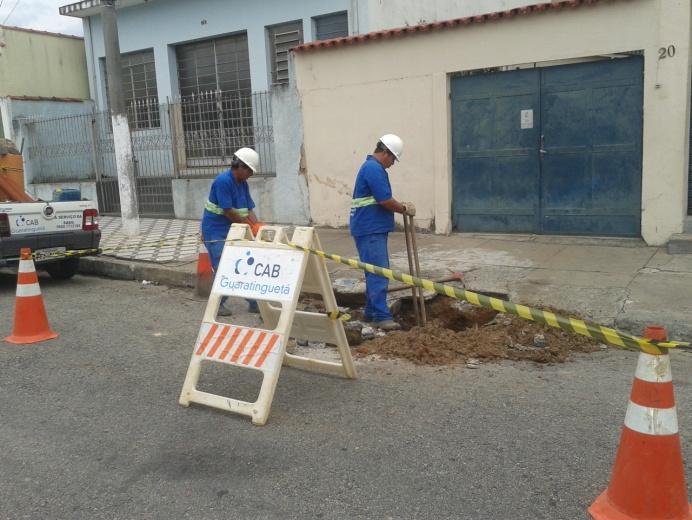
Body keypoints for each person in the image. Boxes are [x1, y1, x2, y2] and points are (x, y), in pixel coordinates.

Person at [349, 134, 415, 331]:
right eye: (393, 158)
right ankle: (380, 315)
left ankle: (371, 311)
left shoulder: (371, 167)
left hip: (370, 227)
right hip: (370, 228)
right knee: (379, 272)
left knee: (373, 272)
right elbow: (384, 200)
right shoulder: (373, 168)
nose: (393, 163)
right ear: (385, 153)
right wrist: (403, 208)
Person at [201, 147, 261, 316]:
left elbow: (249, 209)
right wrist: (248, 226)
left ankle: (254, 302)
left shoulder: (243, 184)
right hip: (215, 231)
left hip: (233, 229)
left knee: (245, 263)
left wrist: (259, 227)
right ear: (240, 166)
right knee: (223, 267)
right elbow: (228, 211)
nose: (251, 174)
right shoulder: (223, 181)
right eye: (250, 170)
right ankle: (217, 304)